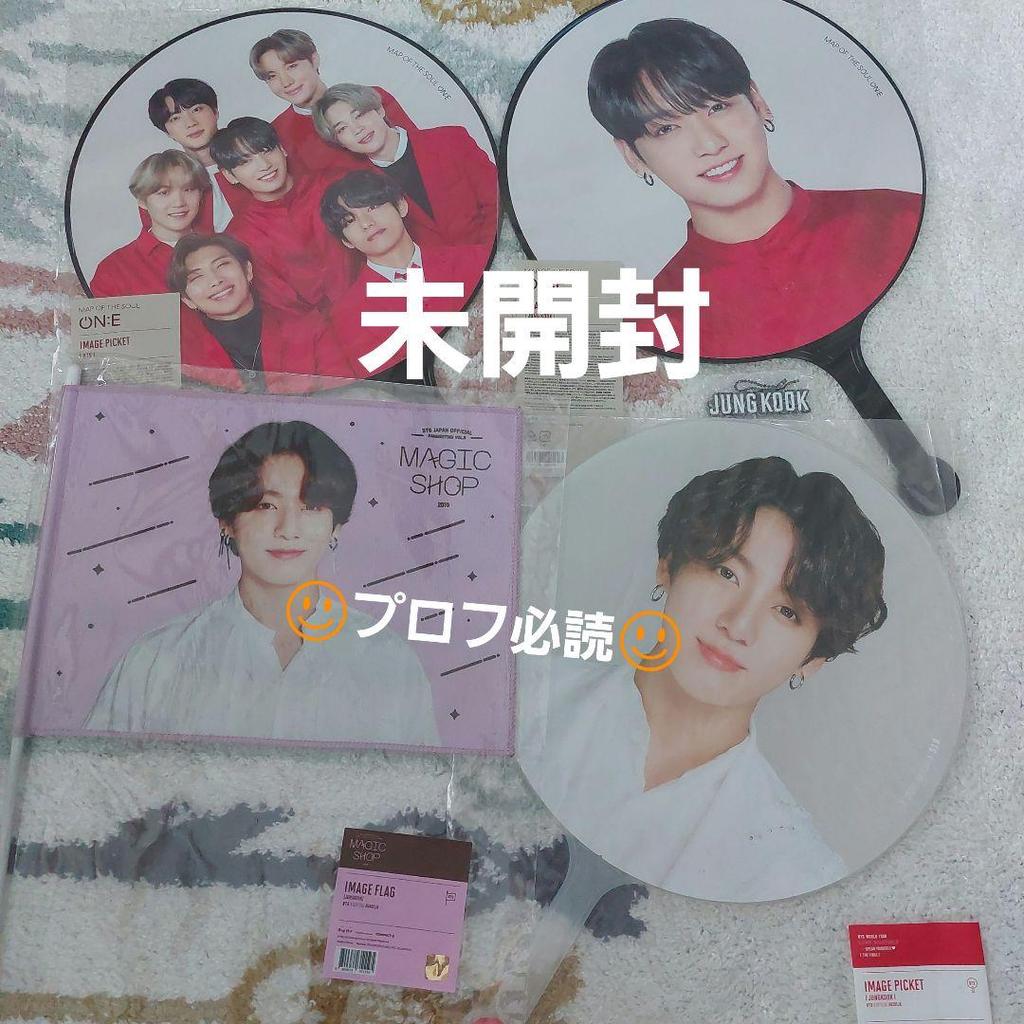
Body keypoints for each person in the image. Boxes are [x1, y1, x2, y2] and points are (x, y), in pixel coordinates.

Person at [537, 456, 888, 902]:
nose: (738, 626)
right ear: (669, 566)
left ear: (813, 660)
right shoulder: (520, 698)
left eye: (786, 611)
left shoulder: (795, 868)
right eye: (728, 574)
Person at [86, 420, 441, 746]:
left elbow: (421, 789)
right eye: (266, 506)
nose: (288, 529)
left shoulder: (389, 662)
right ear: (227, 521)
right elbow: (93, 782)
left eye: (310, 507)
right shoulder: (157, 659)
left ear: (336, 528)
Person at [587, 18, 923, 358]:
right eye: (666, 129)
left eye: (717, 107)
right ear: (632, 156)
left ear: (757, 101)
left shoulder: (900, 218)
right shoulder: (648, 328)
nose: (710, 144)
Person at [320, 171, 488, 382]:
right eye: (349, 221)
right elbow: (392, 387)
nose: (366, 223)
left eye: (372, 207)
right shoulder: (347, 314)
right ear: (347, 241)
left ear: (401, 205)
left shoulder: (474, 259)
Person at [168, 233, 362, 392]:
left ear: (248, 271)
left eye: (222, 265)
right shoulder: (182, 359)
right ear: (187, 300)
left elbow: (347, 402)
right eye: (197, 277)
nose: (215, 280)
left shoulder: (309, 329)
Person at [313, 83, 498, 247]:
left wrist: (485, 258)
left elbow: (496, 201)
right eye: (342, 129)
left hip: (494, 253)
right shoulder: (359, 190)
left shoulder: (450, 140)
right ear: (340, 143)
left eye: (359, 115)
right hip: (435, 272)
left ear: (379, 110)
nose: (357, 129)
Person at [210, 116, 353, 312]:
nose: (264, 165)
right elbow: (282, 305)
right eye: (245, 162)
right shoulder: (239, 236)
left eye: (267, 150)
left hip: (381, 298)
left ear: (282, 149)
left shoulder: (334, 184)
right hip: (323, 326)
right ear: (229, 176)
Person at [248, 28, 417, 175]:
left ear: (314, 60)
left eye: (292, 66)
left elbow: (419, 150)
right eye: (272, 76)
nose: (286, 82)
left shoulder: (369, 97)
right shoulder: (277, 134)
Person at [90, 151, 211, 298]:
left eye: (189, 190)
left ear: (201, 195)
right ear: (142, 201)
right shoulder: (113, 269)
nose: (179, 202)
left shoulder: (224, 249)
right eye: (163, 193)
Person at [147, 77, 253, 230]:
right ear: (167, 132)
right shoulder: (159, 184)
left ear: (215, 112)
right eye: (175, 118)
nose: (190, 123)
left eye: (196, 109)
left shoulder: (257, 156)